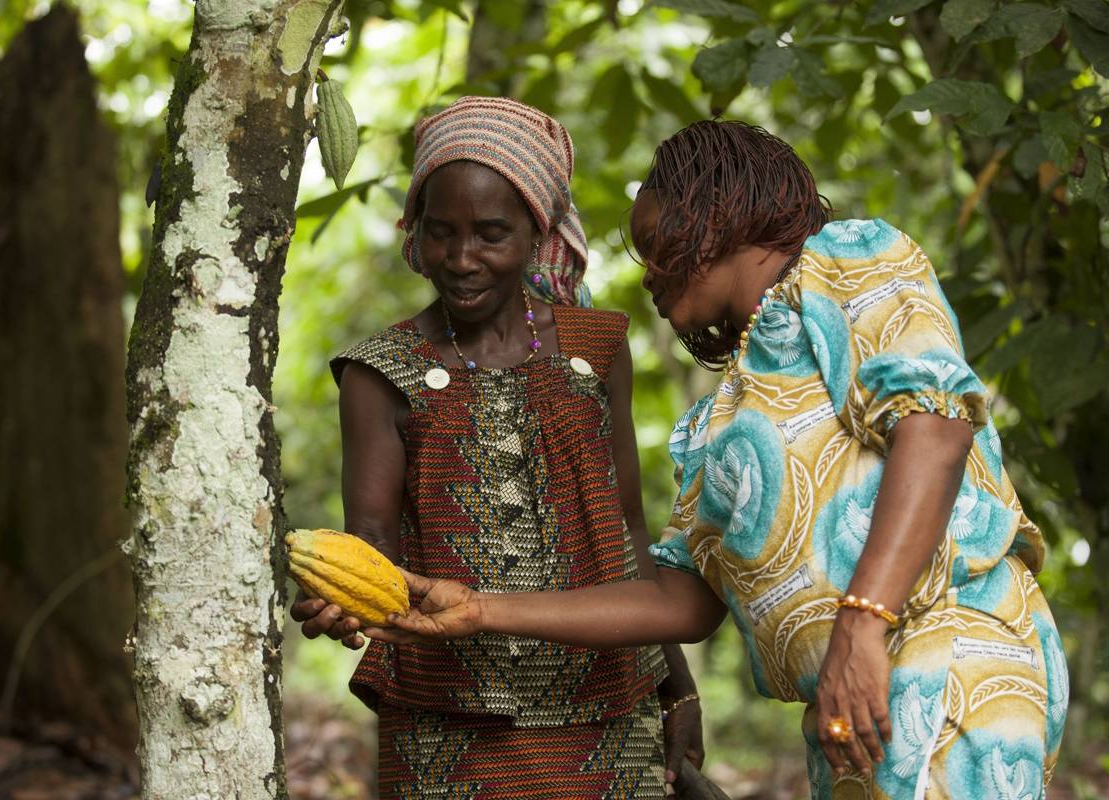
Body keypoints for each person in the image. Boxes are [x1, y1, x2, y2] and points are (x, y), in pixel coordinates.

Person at [368, 119, 1070, 800]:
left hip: (947, 659)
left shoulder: (848, 261)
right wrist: (483, 610)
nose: (647, 280)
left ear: (709, 217)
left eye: (653, 246)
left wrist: (861, 624)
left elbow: (934, 425)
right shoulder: (725, 419)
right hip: (852, 701)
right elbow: (681, 599)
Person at [290, 96, 706, 799]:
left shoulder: (597, 348)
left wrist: (678, 689)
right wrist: (343, 598)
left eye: (490, 234)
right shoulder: (380, 370)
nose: (460, 259)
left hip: (607, 709)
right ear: (414, 233)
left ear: (536, 232)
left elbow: (629, 528)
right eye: (439, 231)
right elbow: (369, 538)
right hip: (445, 726)